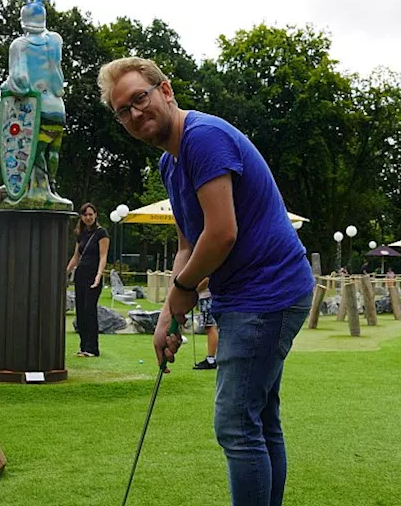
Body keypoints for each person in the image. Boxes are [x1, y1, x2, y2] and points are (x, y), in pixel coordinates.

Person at [100, 56, 313, 506]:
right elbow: (188, 245)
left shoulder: (203, 139)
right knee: (259, 420)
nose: (136, 113)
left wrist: (181, 291)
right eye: (123, 110)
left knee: (236, 424)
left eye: (140, 97)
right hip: (251, 294)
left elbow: (222, 233)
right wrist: (167, 317)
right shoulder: (170, 163)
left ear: (166, 91)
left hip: (267, 292)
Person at [65, 203, 109, 357]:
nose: (88, 217)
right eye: (85, 215)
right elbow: (76, 256)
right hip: (81, 275)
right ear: (81, 217)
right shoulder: (81, 234)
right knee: (81, 311)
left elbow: (103, 256)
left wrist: (99, 275)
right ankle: (84, 346)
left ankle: (92, 348)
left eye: (91, 214)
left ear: (95, 215)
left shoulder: (101, 233)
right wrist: (65, 272)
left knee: (90, 310)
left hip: (93, 275)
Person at [194, 277, 218, 370]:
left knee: (210, 326)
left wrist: (195, 290)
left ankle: (211, 359)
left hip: (207, 296)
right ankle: (212, 358)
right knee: (211, 326)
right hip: (206, 296)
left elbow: (207, 278)